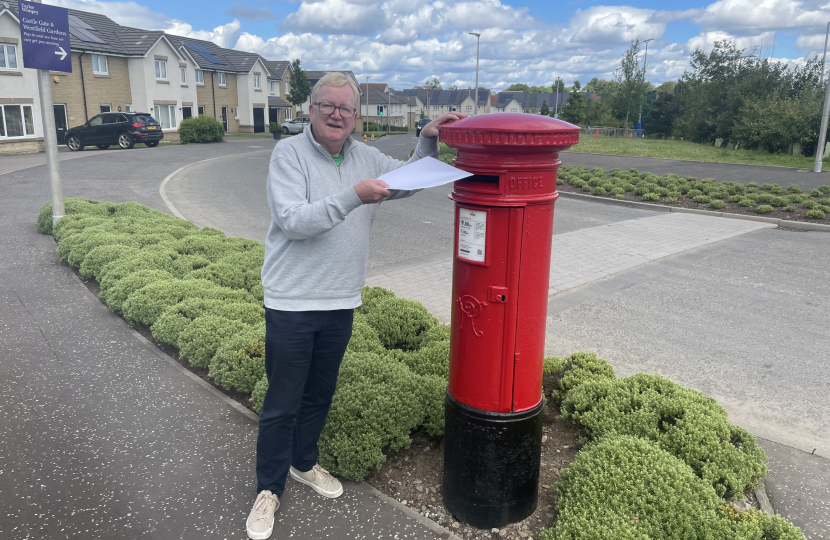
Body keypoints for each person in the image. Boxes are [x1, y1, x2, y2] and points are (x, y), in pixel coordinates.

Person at [246, 72, 465, 540]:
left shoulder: (365, 155)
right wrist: (354, 196)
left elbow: (406, 182)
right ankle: (269, 488)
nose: (337, 114)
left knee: (320, 394)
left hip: (340, 299)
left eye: (346, 108)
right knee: (282, 401)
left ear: (355, 115)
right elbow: (293, 220)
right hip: (291, 300)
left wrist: (427, 139)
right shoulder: (289, 154)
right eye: (328, 105)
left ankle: (303, 463)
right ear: (311, 110)